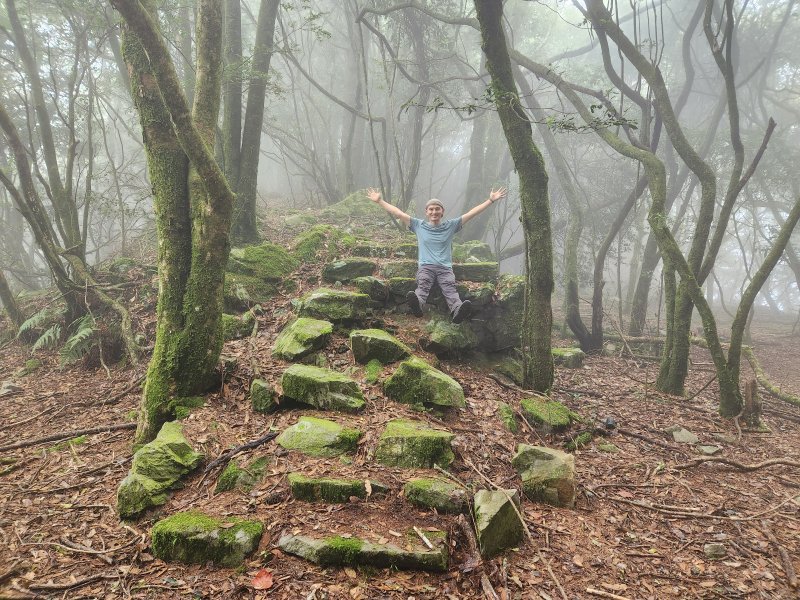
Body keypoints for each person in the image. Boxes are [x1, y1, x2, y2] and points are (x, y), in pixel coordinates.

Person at [366, 186, 507, 323]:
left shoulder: (451, 226)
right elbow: (398, 213)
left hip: (445, 268)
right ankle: (418, 305)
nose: (434, 212)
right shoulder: (418, 225)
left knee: (449, 288)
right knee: (423, 285)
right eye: (431, 209)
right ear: (426, 212)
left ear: (442, 211)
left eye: (437, 209)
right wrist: (379, 201)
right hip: (426, 267)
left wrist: (491, 201)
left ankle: (458, 310)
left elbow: (472, 214)